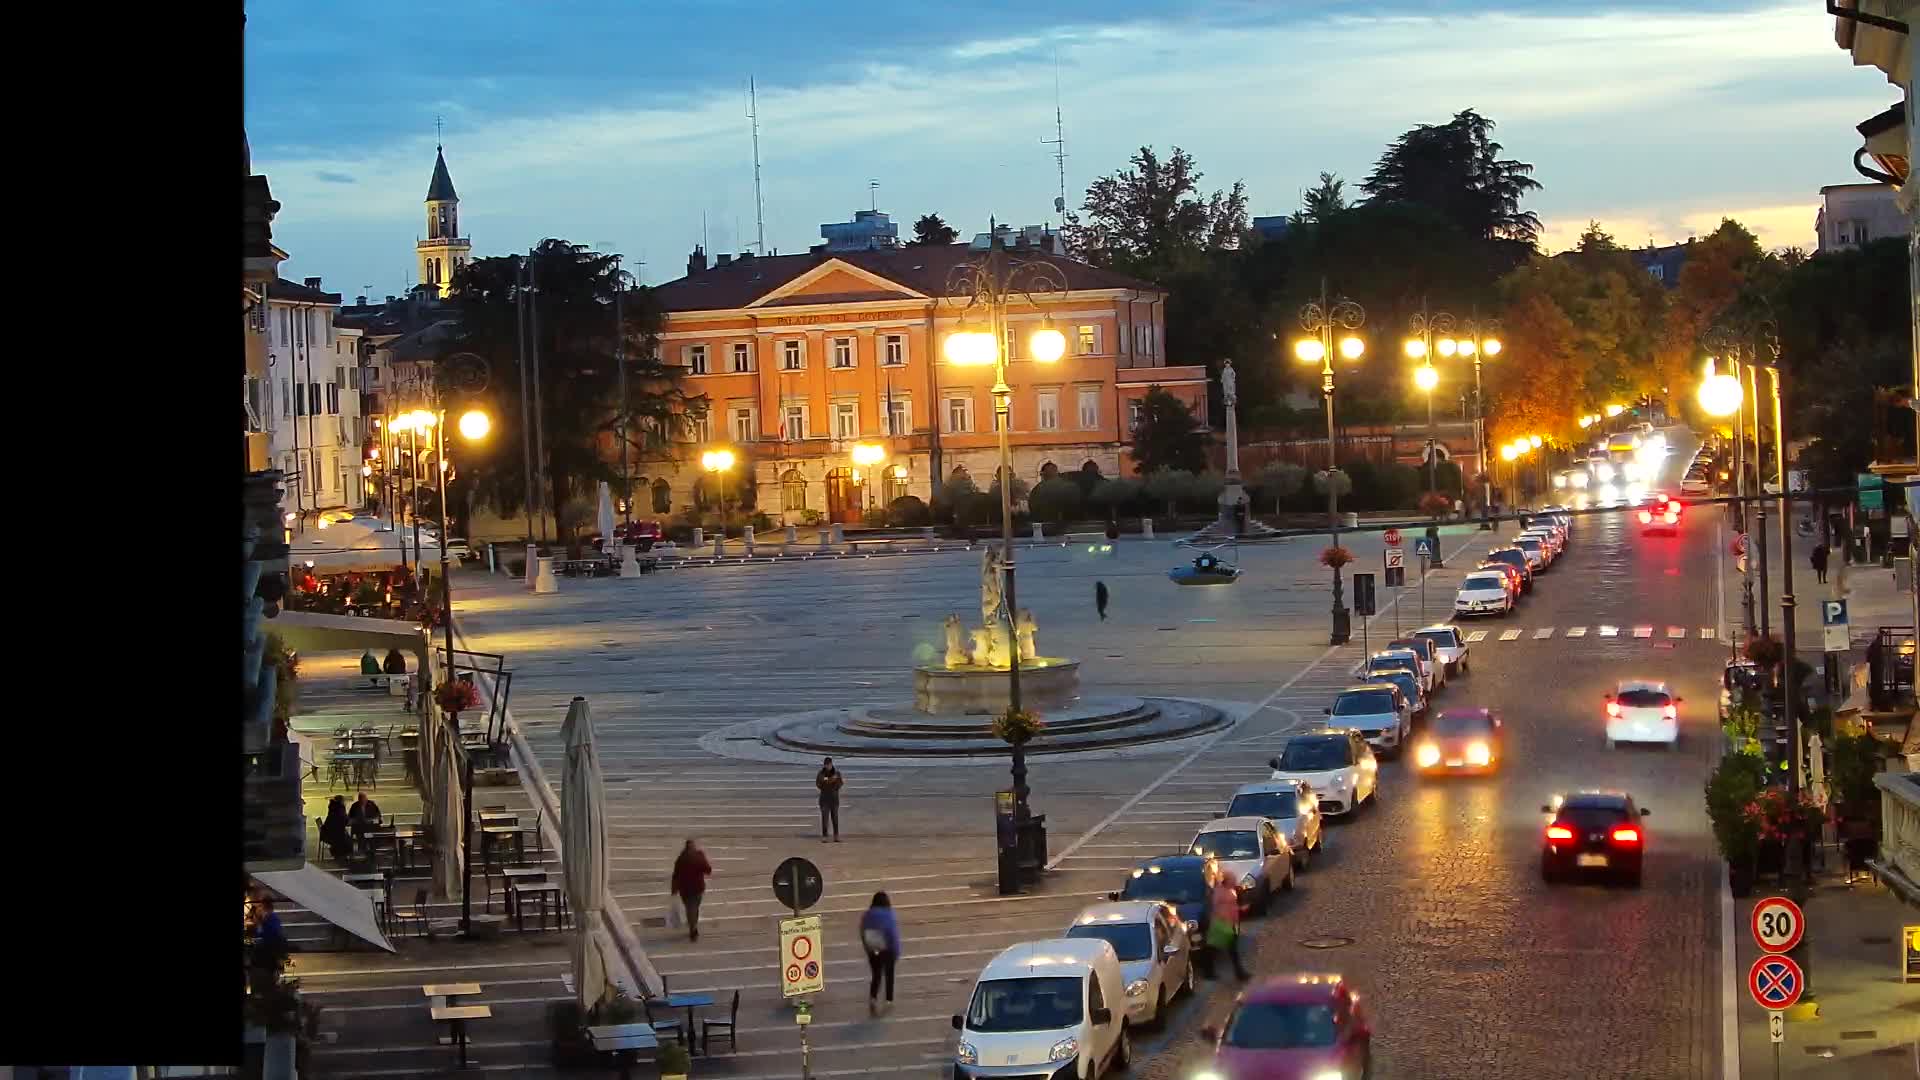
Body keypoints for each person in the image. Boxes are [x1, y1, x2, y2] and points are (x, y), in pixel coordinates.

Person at [859, 891, 902, 1016]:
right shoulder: (889, 915)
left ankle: (873, 998)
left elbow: (863, 931)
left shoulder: (867, 915)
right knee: (889, 975)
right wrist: (896, 951)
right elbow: (892, 934)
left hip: (874, 949)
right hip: (888, 950)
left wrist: (868, 949)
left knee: (876, 975)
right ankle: (889, 1000)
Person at [1206, 876, 1249, 980]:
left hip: (1229, 923)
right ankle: (1239, 974)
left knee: (1218, 948)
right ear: (1227, 881)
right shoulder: (1219, 892)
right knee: (1223, 949)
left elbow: (1230, 906)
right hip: (1222, 924)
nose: (1234, 882)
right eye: (1232, 880)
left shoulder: (1230, 890)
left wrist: (1240, 909)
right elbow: (1215, 907)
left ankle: (1209, 972)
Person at [670, 838, 713, 942]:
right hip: (698, 888)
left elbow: (675, 875)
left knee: (690, 908)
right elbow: (708, 870)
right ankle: (693, 928)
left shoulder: (681, 859)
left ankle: (693, 928)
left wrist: (674, 889)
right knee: (695, 908)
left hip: (685, 889)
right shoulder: (699, 856)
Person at [816, 757, 844, 843]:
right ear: (824, 765)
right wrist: (831, 780)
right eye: (826, 765)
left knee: (835, 818)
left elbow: (840, 783)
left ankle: (836, 835)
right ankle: (825, 836)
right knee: (825, 818)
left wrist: (829, 783)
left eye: (829, 764)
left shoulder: (837, 773)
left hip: (834, 799)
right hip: (824, 799)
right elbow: (819, 784)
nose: (828, 766)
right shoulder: (821, 773)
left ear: (831, 764)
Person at [320, 795, 352, 862]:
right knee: (347, 839)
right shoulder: (339, 809)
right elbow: (344, 821)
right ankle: (342, 856)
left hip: (327, 832)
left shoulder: (333, 807)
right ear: (341, 801)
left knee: (346, 836)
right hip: (333, 834)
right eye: (344, 801)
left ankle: (340, 855)